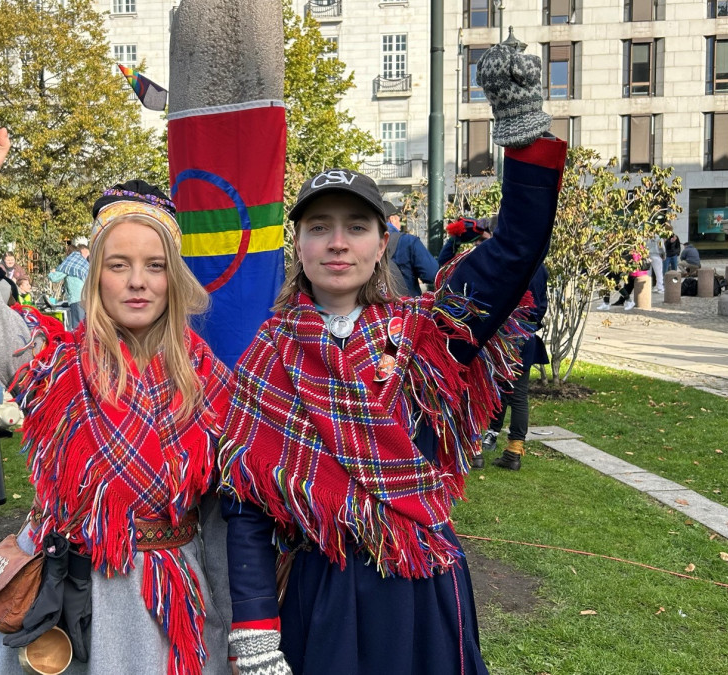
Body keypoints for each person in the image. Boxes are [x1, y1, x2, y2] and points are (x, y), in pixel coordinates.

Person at [219, 42, 565, 673]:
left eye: (356, 226)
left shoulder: (431, 337)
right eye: (318, 226)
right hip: (321, 588)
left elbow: (516, 248)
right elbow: (246, 508)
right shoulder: (266, 360)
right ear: (296, 243)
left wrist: (522, 133)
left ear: (384, 243)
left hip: (422, 581)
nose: (337, 242)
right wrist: (256, 637)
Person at [0, 125, 233, 675]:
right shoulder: (49, 361)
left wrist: (237, 626)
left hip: (168, 604)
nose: (137, 281)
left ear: (174, 277)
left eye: (155, 265)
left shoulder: (208, 379)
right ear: (96, 276)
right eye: (119, 264)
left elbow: (221, 520)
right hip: (67, 591)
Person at [478, 264, 549, 471]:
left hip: (503, 334)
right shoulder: (539, 266)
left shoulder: (510, 259)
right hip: (524, 334)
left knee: (485, 389)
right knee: (515, 394)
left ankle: (480, 448)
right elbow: (540, 306)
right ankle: (513, 451)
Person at [385, 203, 438, 297]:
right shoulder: (408, 241)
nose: (400, 223)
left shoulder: (365, 241)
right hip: (404, 306)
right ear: (392, 219)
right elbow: (432, 274)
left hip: (371, 307)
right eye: (399, 219)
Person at [48, 237, 90, 329]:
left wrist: (52, 272)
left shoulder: (69, 263)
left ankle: (79, 343)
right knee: (86, 325)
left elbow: (55, 278)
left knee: (78, 327)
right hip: (87, 298)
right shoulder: (83, 263)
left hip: (76, 299)